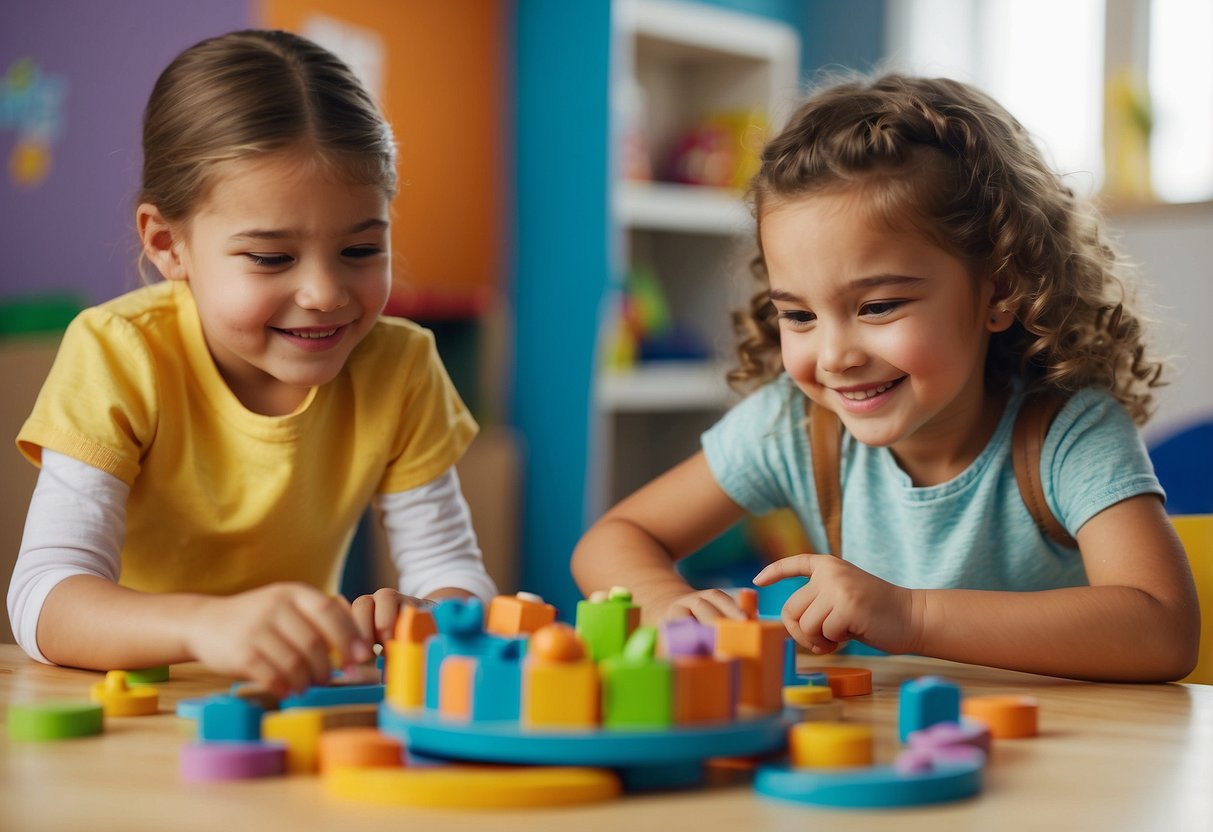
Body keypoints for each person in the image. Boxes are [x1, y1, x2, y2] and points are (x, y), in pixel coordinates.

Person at [572, 73, 1200, 682]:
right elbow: (614, 538)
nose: (836, 355)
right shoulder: (794, 424)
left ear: (999, 290)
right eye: (799, 314)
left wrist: (911, 614)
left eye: (877, 307)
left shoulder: (1068, 433)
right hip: (886, 759)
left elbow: (1163, 629)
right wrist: (659, 601)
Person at [6, 30, 497, 695]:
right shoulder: (119, 352)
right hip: (138, 706)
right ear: (167, 245)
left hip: (289, 707)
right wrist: (207, 626)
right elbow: (42, 601)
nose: (324, 294)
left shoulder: (401, 365)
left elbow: (453, 572)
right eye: (271, 258)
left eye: (359, 250)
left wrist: (433, 616)